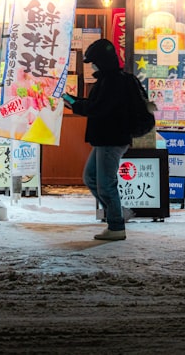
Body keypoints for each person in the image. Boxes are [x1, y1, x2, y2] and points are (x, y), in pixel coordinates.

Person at [66, 38, 131, 241]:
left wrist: (72, 103)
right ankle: (116, 213)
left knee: (105, 183)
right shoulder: (107, 79)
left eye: (93, 62)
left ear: (101, 61)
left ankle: (116, 225)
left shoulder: (112, 82)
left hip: (111, 138)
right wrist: (71, 100)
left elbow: (98, 108)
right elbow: (95, 104)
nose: (92, 66)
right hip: (106, 138)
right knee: (92, 178)